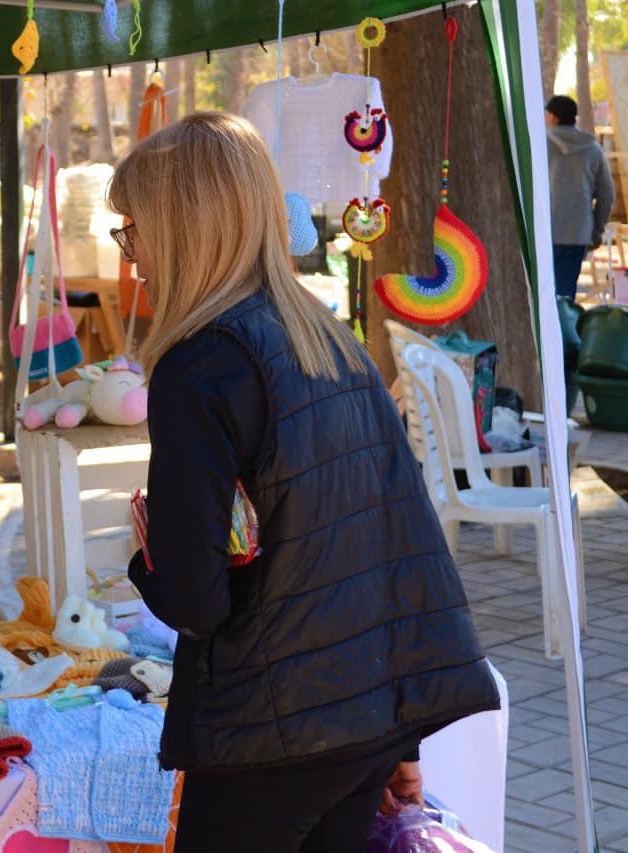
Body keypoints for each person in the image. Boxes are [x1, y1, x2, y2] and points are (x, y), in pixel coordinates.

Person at [109, 113, 499, 852]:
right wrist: (402, 738)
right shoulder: (326, 336)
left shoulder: (199, 364)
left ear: (183, 228)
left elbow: (195, 597)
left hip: (273, 728)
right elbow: (395, 540)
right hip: (364, 717)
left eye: (134, 229)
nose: (132, 259)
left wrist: (145, 557)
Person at [545, 94, 615, 300]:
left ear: (554, 117)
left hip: (541, 232)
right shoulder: (592, 149)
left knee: (540, 297)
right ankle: (565, 331)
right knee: (565, 297)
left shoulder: (538, 146)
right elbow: (607, 195)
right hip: (576, 234)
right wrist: (596, 232)